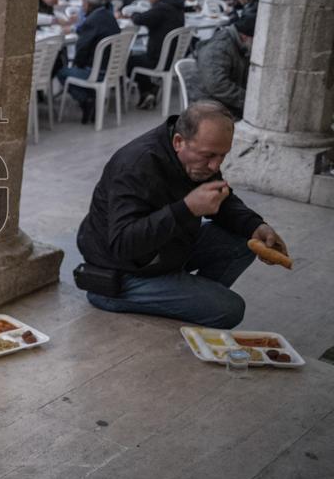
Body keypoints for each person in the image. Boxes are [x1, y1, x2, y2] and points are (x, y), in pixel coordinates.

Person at [77, 100, 286, 328]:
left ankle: (190, 297)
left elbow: (222, 200)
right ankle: (187, 300)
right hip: (121, 274)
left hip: (165, 253)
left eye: (222, 156)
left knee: (244, 240)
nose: (215, 166)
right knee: (230, 310)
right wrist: (187, 208)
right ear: (179, 142)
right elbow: (122, 244)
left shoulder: (196, 157)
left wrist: (257, 226)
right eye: (209, 156)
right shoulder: (136, 165)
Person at [56, 0, 121, 123]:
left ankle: (86, 100)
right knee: (73, 69)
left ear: (86, 3)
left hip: (96, 71)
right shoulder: (109, 16)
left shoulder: (92, 20)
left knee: (62, 71)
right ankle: (92, 97)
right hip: (112, 69)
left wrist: (76, 65)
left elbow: (82, 50)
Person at [127, 0, 186, 109]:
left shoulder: (162, 8)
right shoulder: (178, 7)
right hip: (172, 59)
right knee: (138, 58)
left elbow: (140, 19)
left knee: (128, 61)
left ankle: (146, 91)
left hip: (158, 59)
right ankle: (151, 89)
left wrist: (133, 14)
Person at [185, 15, 255, 117]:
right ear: (244, 37)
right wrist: (248, 101)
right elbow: (217, 85)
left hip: (221, 99)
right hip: (208, 102)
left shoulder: (239, 44)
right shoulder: (219, 47)